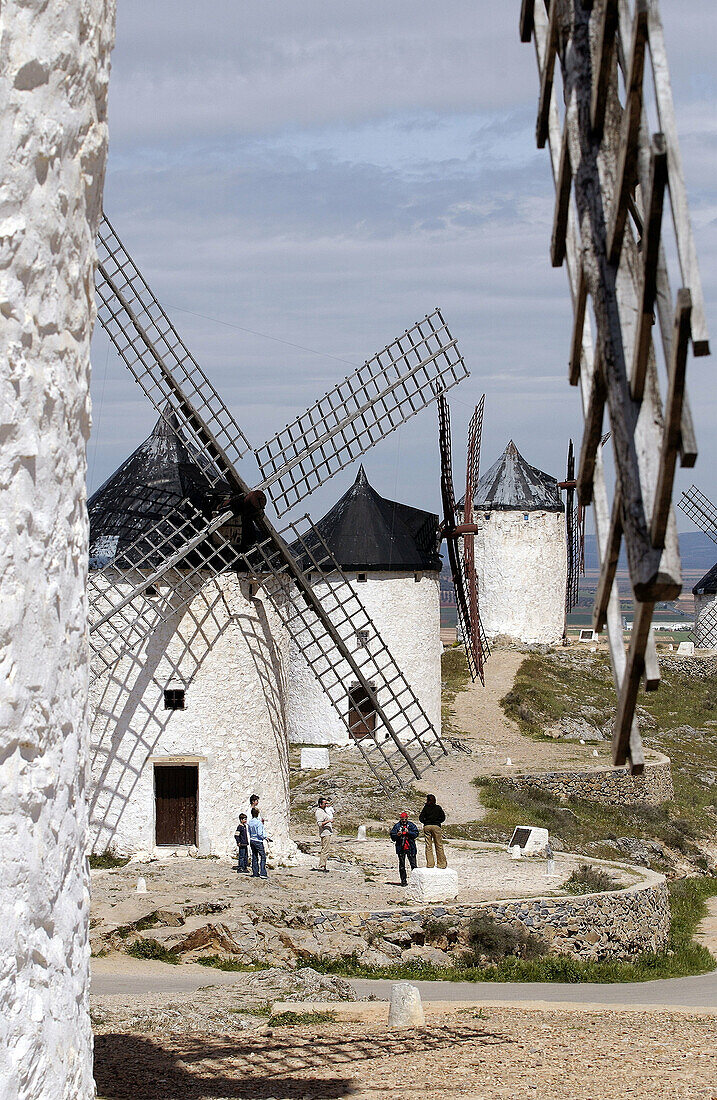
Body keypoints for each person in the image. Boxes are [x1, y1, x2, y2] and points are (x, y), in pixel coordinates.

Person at [390, 811, 419, 886]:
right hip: (400, 847)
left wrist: (408, 832)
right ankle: (403, 881)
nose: (404, 821)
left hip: (410, 847)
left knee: (413, 865)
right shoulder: (397, 826)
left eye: (405, 819)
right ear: (400, 819)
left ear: (407, 819)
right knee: (402, 866)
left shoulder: (411, 825)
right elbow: (392, 836)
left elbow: (416, 834)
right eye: (402, 819)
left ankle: (415, 881)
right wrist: (397, 835)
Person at [419, 794, 447, 869]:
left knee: (428, 845)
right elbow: (443, 817)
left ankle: (430, 864)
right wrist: (438, 822)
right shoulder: (438, 808)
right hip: (436, 826)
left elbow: (421, 818)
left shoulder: (425, 808)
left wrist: (425, 822)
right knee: (439, 845)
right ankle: (441, 864)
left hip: (427, 826)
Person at [248, 806, 270, 878]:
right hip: (258, 841)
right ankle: (263, 873)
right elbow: (260, 833)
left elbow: (249, 831)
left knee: (254, 856)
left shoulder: (250, 822)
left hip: (252, 840)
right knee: (263, 856)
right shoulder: (258, 823)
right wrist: (265, 837)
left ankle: (255, 872)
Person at [314, 796, 334, 873]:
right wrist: (329, 821)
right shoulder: (319, 812)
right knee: (325, 849)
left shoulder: (323, 811)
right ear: (320, 804)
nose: (326, 805)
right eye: (325, 804)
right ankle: (322, 865)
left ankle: (323, 865)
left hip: (327, 832)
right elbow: (319, 823)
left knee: (325, 849)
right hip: (325, 833)